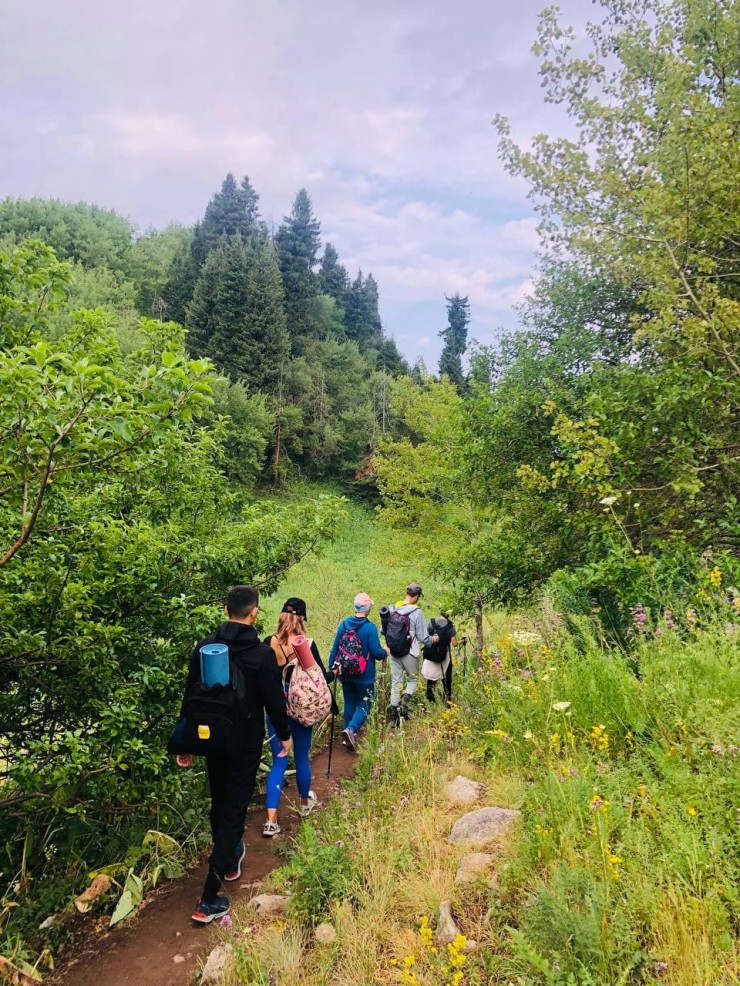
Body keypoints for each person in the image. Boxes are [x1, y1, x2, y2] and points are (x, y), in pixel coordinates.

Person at [178, 585, 291, 924]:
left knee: (219, 800)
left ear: (226, 609)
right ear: (254, 612)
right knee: (234, 811)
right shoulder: (261, 655)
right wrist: (284, 736)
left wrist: (185, 742)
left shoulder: (205, 647)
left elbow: (190, 696)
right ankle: (208, 899)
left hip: (211, 739)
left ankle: (229, 861)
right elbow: (274, 701)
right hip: (245, 743)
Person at [262, 597, 336, 838]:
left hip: (276, 708)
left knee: (279, 761)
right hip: (300, 707)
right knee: (302, 757)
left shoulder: (269, 643)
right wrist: (335, 672)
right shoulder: (305, 644)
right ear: (302, 618)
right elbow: (320, 677)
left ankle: (271, 821)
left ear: (282, 615)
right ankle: (304, 804)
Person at [327, 592, 388, 751]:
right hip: (364, 675)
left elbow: (335, 648)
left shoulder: (343, 625)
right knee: (366, 703)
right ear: (367, 609)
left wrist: (332, 668)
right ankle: (351, 729)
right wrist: (385, 652)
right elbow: (376, 652)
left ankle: (347, 735)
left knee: (350, 702)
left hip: (345, 673)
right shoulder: (370, 628)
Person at [386, 583, 438, 726]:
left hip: (394, 652)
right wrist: (433, 640)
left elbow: (383, 630)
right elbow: (423, 637)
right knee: (412, 681)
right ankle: (403, 704)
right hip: (410, 652)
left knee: (396, 682)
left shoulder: (392, 608)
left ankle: (394, 718)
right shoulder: (416, 612)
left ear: (406, 593)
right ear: (417, 596)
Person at [422, 612, 461, 705]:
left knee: (431, 676)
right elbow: (455, 644)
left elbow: (425, 637)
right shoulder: (450, 626)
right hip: (444, 655)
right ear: (448, 615)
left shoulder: (431, 622)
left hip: (430, 653)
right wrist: (462, 641)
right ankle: (447, 699)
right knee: (446, 676)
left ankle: (430, 699)